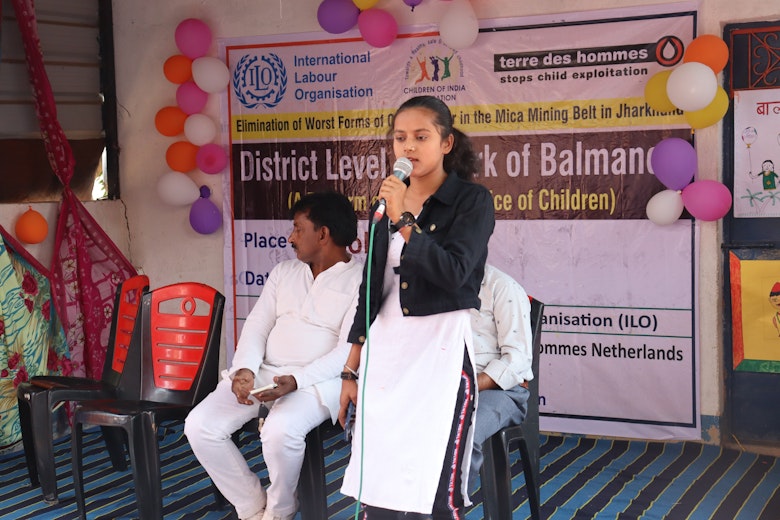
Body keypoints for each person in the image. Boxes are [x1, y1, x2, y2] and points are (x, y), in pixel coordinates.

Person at [338, 95, 495, 519]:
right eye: (400, 137)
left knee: (435, 490)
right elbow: (371, 289)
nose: (408, 147)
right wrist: (351, 368)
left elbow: (454, 274)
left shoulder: (472, 201)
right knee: (381, 486)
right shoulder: (382, 206)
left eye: (420, 137)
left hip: (438, 357)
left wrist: (407, 220)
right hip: (385, 360)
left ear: (445, 143)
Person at [184, 191, 363, 520]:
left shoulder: (361, 279)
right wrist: (245, 370)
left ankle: (280, 510)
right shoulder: (283, 272)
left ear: (323, 234)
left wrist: (296, 381)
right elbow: (257, 326)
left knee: (279, 431)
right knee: (200, 425)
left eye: (298, 228)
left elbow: (349, 351)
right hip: (266, 374)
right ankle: (251, 506)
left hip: (318, 383)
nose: (291, 237)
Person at [468, 263, 533, 493]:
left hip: (500, 391)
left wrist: (469, 385)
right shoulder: (432, 286)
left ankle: (446, 509)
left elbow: (518, 360)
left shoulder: (501, 286)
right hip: (446, 385)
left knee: (462, 431)